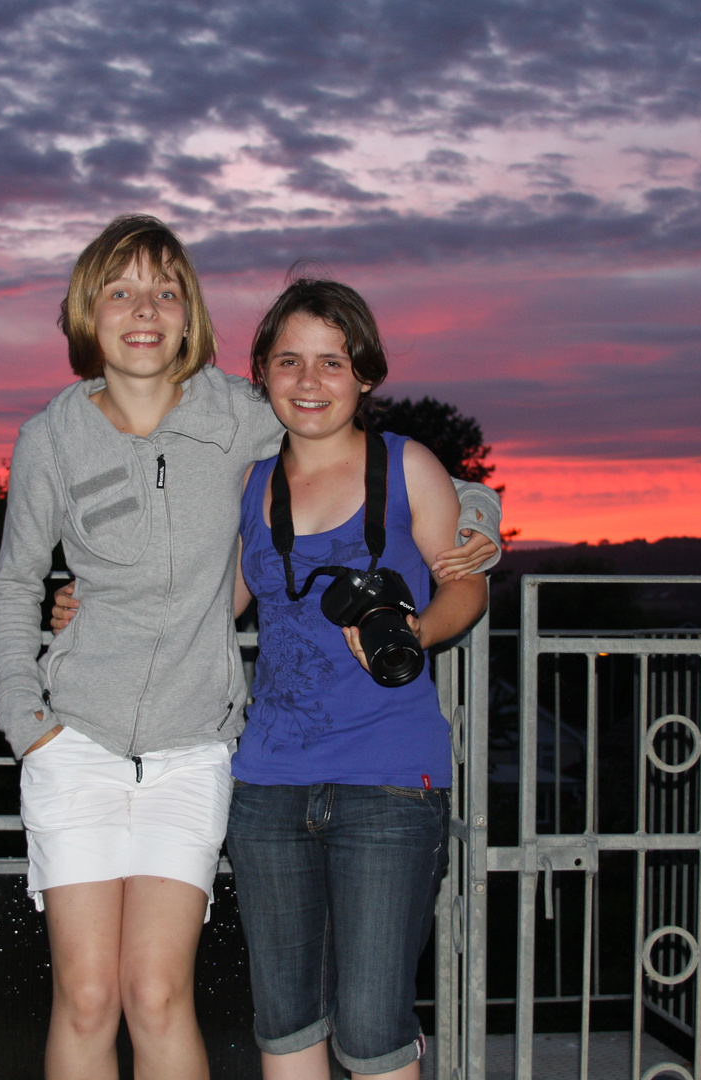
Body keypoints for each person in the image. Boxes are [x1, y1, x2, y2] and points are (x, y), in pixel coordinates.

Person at [0, 216, 499, 1080]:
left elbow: (389, 462)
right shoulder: (53, 437)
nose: (143, 310)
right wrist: (25, 715)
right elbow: (14, 581)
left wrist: (478, 522)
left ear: (191, 317)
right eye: (120, 291)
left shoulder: (238, 416)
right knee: (90, 997)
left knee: (160, 994)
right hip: (85, 741)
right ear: (88, 311)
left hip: (198, 748)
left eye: (165, 290)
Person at [225, 278, 488, 1079]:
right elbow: (208, 606)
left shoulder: (407, 467)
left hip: (388, 779)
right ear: (263, 373)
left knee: (373, 1027)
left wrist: (416, 631)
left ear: (365, 374)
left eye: (332, 362)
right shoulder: (250, 486)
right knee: (287, 1021)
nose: (309, 382)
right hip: (268, 784)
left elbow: (464, 584)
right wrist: (81, 603)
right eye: (289, 361)